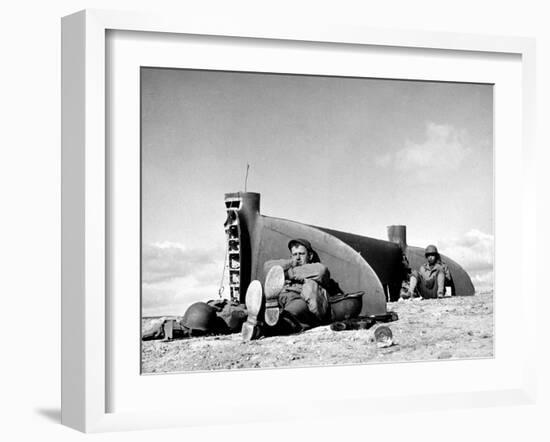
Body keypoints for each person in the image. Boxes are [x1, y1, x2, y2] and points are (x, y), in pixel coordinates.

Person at [242, 238, 340, 341]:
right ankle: (257, 318)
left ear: (310, 256)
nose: (298, 258)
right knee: (267, 311)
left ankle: (261, 329)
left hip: (299, 298)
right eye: (294, 254)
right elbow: (267, 267)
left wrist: (287, 274)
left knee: (289, 316)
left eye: (301, 254)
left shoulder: (316, 267)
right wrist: (291, 263)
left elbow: (321, 272)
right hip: (278, 296)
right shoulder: (291, 263)